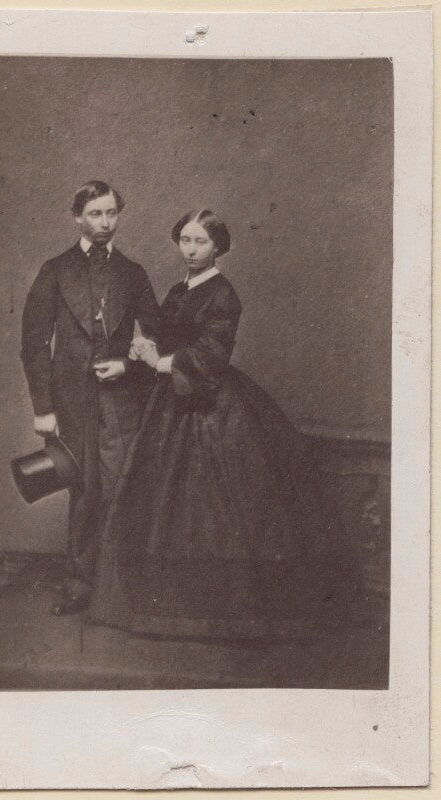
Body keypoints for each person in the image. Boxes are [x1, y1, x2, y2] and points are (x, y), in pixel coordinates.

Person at [87, 208, 359, 641]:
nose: (191, 249)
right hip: (169, 404)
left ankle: (221, 612)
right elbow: (164, 337)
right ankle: (163, 603)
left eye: (201, 242)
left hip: (210, 403)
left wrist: (161, 361)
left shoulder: (223, 295)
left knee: (218, 509)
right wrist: (142, 349)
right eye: (185, 240)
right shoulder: (178, 290)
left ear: (218, 247)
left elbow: (211, 355)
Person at [21, 180, 160, 615]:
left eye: (111, 213)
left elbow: (159, 338)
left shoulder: (133, 273)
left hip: (121, 399)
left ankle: (119, 590)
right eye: (96, 214)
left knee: (121, 486)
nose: (105, 223)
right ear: (77, 217)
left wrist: (128, 366)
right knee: (83, 491)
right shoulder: (55, 270)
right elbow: (34, 344)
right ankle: (80, 586)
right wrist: (43, 409)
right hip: (72, 401)